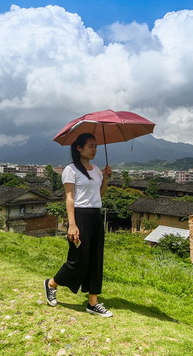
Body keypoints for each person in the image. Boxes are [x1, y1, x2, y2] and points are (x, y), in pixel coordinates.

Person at [43, 133, 113, 317]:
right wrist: (72, 225)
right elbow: (69, 198)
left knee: (96, 260)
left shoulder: (95, 168)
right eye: (91, 146)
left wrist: (105, 178)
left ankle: (93, 302)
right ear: (79, 148)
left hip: (95, 216)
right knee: (78, 260)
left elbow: (100, 194)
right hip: (80, 216)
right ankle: (51, 283)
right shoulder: (71, 170)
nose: (94, 150)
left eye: (96, 146)